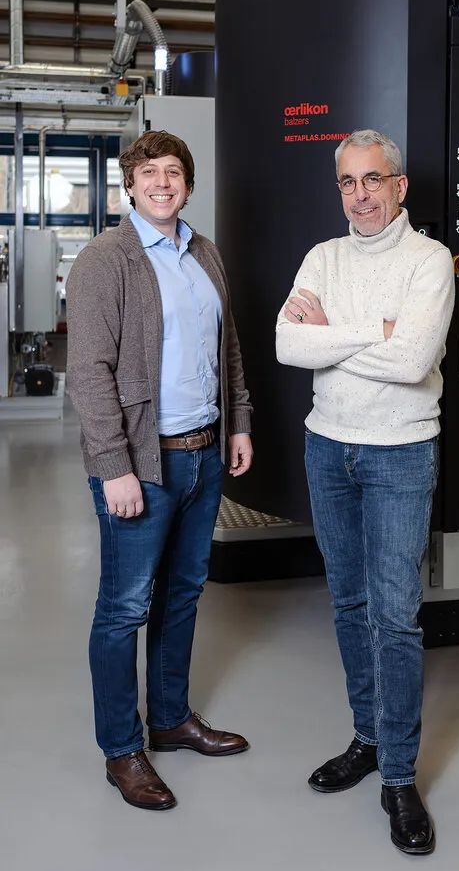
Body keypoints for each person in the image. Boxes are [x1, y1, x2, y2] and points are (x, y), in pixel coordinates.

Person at [276, 129, 455, 855]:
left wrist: (336, 334)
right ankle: (367, 738)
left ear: (399, 186)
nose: (360, 196)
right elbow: (288, 344)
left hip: (400, 453)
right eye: (348, 183)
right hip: (328, 449)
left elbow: (413, 361)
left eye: (372, 180)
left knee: (395, 615)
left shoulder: (430, 260)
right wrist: (375, 331)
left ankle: (400, 776)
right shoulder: (323, 257)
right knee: (349, 603)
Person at [67, 130, 253, 811]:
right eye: (149, 173)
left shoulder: (204, 253)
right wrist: (114, 466)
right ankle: (122, 748)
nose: (163, 183)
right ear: (131, 185)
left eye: (174, 172)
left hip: (203, 453)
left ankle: (170, 720)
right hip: (141, 464)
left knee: (182, 595)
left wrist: (239, 421)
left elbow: (228, 346)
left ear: (188, 184)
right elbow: (88, 372)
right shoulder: (105, 259)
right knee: (124, 608)